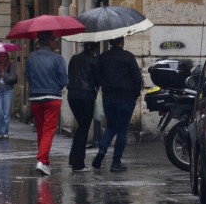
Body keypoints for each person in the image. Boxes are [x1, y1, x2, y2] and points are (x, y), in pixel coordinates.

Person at [93, 37, 143, 173]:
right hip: (126, 98)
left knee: (110, 127)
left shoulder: (103, 57)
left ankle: (101, 152)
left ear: (109, 43)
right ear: (122, 42)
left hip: (109, 97)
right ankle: (116, 162)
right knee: (122, 130)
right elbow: (137, 78)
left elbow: (97, 77)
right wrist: (135, 94)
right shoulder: (128, 57)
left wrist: (105, 86)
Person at [25, 32, 68, 176]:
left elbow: (27, 76)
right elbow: (64, 80)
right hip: (52, 97)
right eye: (54, 40)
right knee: (49, 130)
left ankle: (45, 162)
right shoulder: (57, 58)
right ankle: (42, 160)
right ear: (50, 41)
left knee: (41, 130)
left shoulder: (31, 57)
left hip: (35, 97)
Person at [67, 41, 101, 172]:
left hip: (72, 95)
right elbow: (98, 81)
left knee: (81, 127)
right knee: (84, 128)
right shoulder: (94, 61)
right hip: (86, 96)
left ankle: (73, 158)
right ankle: (78, 163)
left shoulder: (74, 58)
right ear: (94, 49)